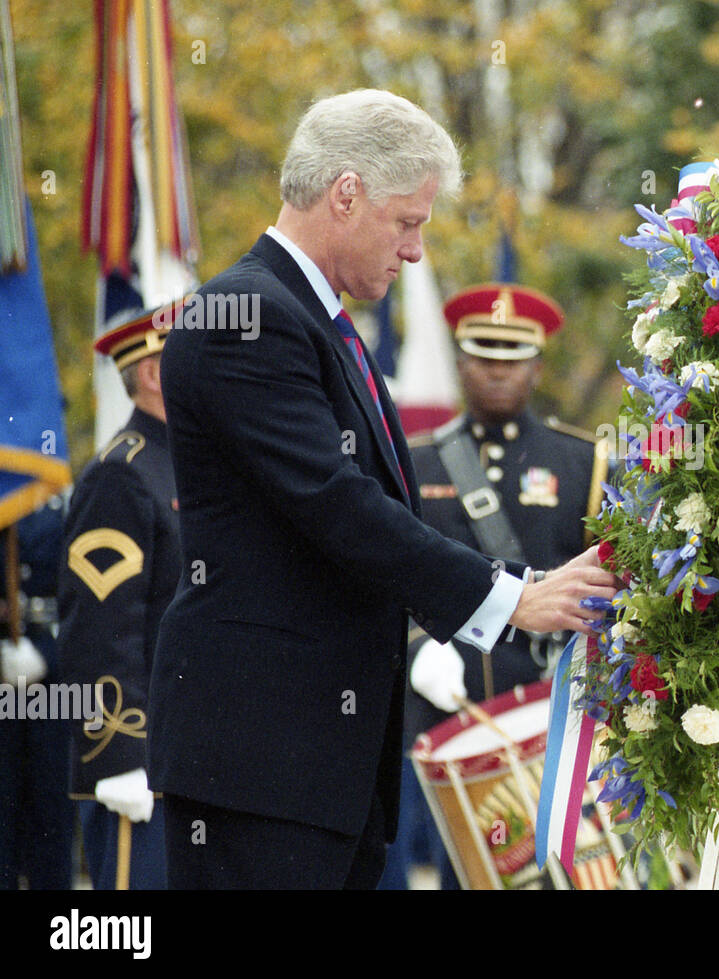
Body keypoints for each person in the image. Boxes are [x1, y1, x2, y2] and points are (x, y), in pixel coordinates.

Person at [147, 89, 616, 889]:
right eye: (409, 222)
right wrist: (513, 597)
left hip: (315, 759)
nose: (416, 251)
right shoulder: (247, 315)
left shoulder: (312, 318)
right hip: (264, 756)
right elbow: (337, 504)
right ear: (346, 192)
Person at [384, 283, 608, 889]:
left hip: (549, 711)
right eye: (484, 357)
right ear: (460, 363)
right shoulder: (414, 461)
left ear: (537, 367)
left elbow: (606, 585)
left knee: (570, 873)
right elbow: (386, 571)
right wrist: (415, 647)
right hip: (440, 709)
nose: (498, 372)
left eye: (512, 359)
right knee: (465, 875)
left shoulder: (584, 463)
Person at [57, 307, 178, 889]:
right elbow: (99, 629)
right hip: (141, 768)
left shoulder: (188, 465)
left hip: (193, 759)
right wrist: (118, 753)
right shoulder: (122, 474)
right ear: (153, 372)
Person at [0, 499, 74, 889]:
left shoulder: (65, 505)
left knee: (52, 809)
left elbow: (82, 595)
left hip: (54, 681)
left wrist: (48, 653)